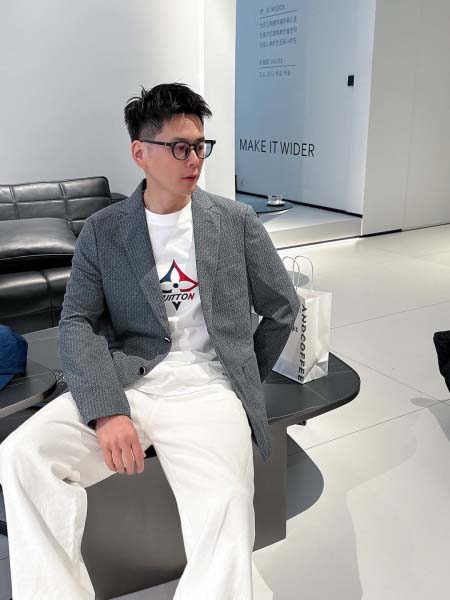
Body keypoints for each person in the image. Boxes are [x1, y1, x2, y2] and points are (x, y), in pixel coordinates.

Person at [0, 82, 300, 599]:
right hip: (130, 380)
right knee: (23, 456)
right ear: (140, 153)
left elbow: (282, 306)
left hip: (209, 387)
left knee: (227, 505)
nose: (194, 159)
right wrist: (106, 409)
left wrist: (242, 371)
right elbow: (77, 321)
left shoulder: (235, 221)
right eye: (179, 147)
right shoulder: (103, 230)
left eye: (200, 146)